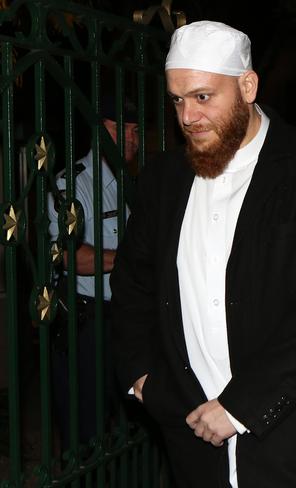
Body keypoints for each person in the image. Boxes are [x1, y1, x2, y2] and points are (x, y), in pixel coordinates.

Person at [109, 21, 296, 488]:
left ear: (247, 86)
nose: (187, 116)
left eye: (203, 97)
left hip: (294, 439)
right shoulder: (163, 179)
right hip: (189, 434)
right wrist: (140, 375)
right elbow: (132, 284)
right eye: (177, 99)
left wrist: (242, 407)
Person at [47, 97, 138, 450]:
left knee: (130, 427)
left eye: (134, 130)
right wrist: (133, 258)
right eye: (120, 130)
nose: (131, 138)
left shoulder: (132, 185)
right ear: (97, 132)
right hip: (87, 324)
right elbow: (71, 258)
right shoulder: (71, 185)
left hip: (127, 319)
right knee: (86, 430)